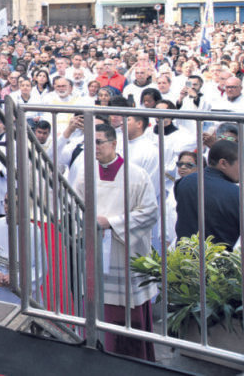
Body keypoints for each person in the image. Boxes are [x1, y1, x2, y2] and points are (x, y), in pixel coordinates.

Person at [74, 122, 158, 361]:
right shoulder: (85, 174)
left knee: (128, 313)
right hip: (96, 249)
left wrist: (111, 222)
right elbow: (73, 205)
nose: (94, 148)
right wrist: (87, 224)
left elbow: (150, 212)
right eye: (90, 143)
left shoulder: (136, 175)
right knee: (96, 303)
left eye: (98, 142)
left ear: (114, 143)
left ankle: (133, 360)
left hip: (125, 253)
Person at [0, 192, 45, 304]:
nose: (8, 206)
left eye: (15, 203)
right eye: (6, 202)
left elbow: (40, 267)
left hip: (22, 296)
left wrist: (17, 278)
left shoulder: (34, 231)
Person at [174, 139, 240, 247]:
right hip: (219, 255)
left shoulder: (184, 182)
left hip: (184, 253)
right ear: (223, 163)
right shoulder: (236, 194)